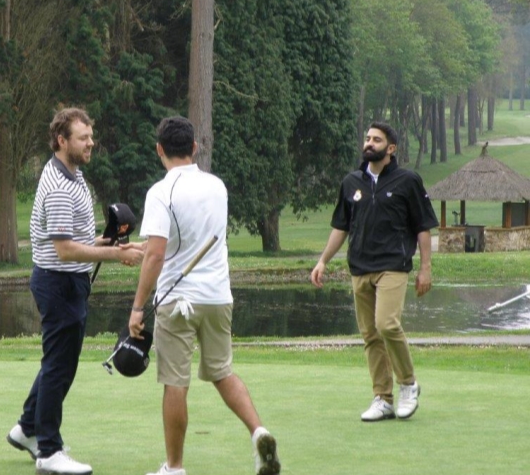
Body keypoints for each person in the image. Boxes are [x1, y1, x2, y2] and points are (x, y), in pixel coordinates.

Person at [128, 116, 281, 475]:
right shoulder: (217, 186)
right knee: (222, 372)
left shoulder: (160, 192)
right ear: (194, 148)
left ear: (159, 150)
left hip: (177, 300)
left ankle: (175, 467)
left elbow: (156, 254)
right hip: (217, 295)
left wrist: (137, 307)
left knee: (175, 382)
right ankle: (259, 432)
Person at [6, 107, 143, 475]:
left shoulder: (73, 175)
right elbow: (65, 249)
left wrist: (114, 244)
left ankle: (26, 429)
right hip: (59, 283)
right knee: (59, 366)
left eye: (90, 136)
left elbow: (77, 240)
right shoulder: (59, 187)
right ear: (61, 141)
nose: (91, 143)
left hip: (66, 282)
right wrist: (115, 254)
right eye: (83, 138)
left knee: (58, 362)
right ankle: (49, 451)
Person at [310, 121, 438, 422]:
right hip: (360, 267)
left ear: (391, 149)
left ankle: (408, 384)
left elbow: (423, 229)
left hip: (393, 266)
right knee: (370, 335)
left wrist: (426, 269)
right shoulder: (351, 182)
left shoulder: (408, 181)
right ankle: (383, 397)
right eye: (367, 138)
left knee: (387, 324)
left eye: (376, 140)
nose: (369, 143)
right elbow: (340, 228)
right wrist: (323, 261)